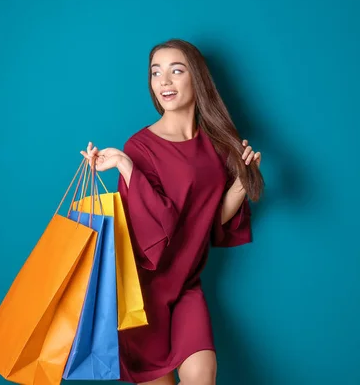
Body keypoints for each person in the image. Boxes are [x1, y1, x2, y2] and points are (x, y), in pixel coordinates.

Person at [80, 38, 264, 385]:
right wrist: (124, 164)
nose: (164, 81)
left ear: (196, 78)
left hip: (185, 288)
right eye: (155, 72)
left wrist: (243, 180)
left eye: (175, 70)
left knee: (202, 377)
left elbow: (208, 220)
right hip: (142, 296)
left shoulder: (218, 144)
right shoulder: (141, 146)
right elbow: (155, 226)